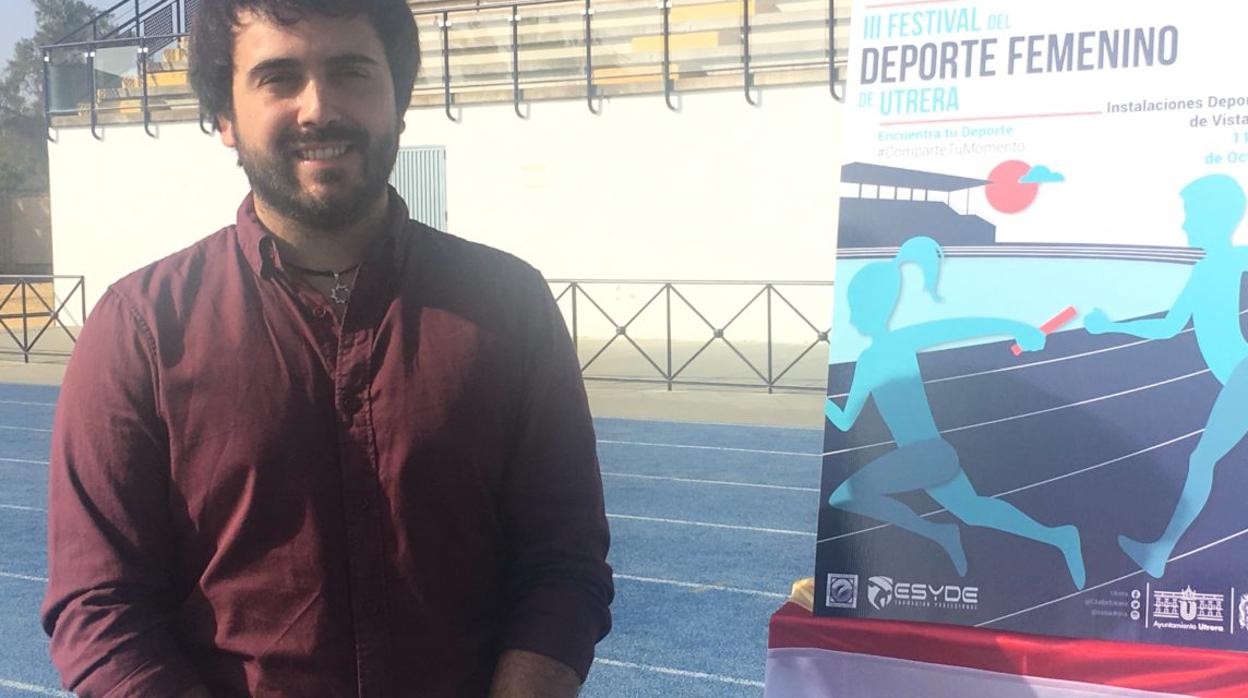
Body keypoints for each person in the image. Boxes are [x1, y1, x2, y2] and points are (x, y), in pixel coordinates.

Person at [40, 1, 613, 696]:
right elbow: (99, 608)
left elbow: (564, 565)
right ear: (224, 117)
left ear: (399, 102)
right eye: (279, 78)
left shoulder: (511, 307)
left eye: (352, 72)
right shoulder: (138, 330)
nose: (319, 108)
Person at [824, 236, 1085, 589]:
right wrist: (822, 400)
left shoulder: (897, 343)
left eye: (855, 305)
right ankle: (1058, 537)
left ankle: (938, 532)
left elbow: (961, 326)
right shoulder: (867, 361)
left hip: (923, 455)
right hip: (929, 457)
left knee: (847, 493)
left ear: (873, 306)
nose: (851, 315)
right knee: (975, 511)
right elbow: (844, 419)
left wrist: (1017, 326)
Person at [1086, 174, 1248, 579]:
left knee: (1202, 458)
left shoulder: (1238, 259)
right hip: (1238, 377)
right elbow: (1167, 327)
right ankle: (1159, 552)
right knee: (1203, 459)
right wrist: (1109, 326)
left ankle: (1159, 553)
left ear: (1217, 217)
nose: (1184, 225)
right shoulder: (1205, 270)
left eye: (1191, 215)